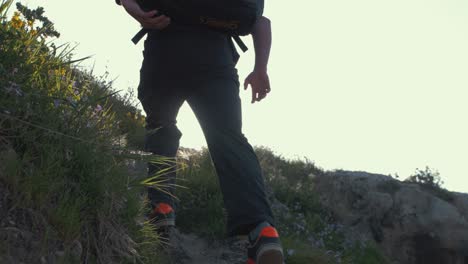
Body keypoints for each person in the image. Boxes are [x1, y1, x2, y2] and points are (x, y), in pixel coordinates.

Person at [119, 0, 283, 263]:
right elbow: (260, 21)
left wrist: (132, 8)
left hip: (164, 54)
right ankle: (261, 229)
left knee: (162, 128)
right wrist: (260, 69)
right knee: (229, 140)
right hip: (215, 60)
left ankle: (161, 207)